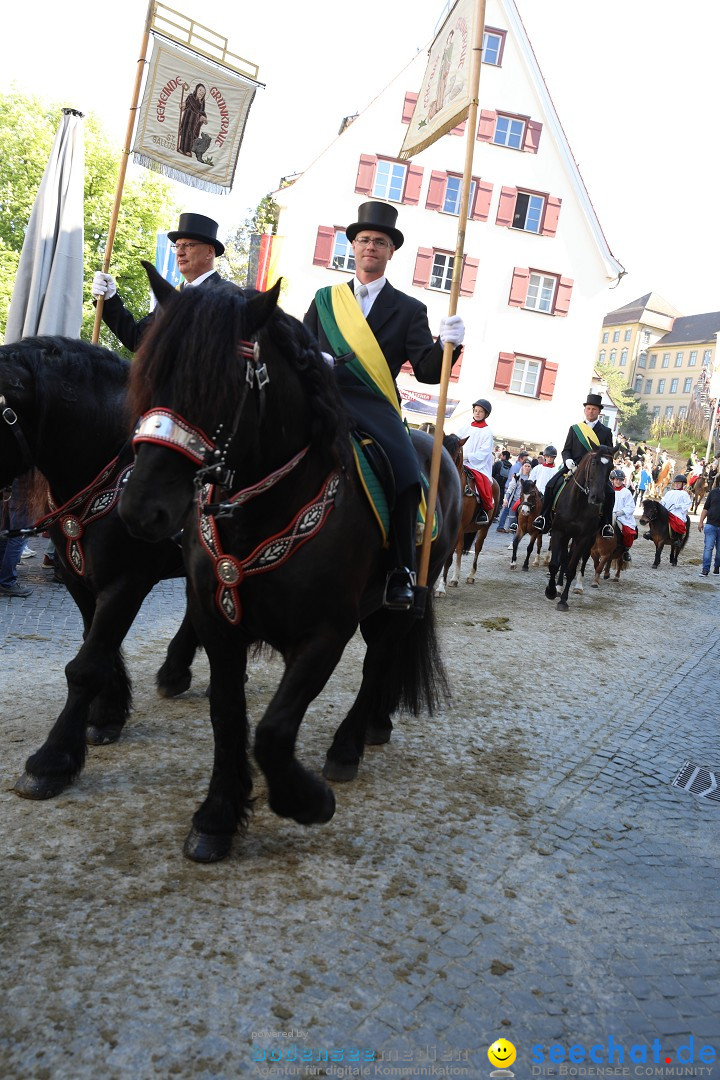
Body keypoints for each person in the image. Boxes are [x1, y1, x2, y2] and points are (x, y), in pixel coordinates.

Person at [303, 200, 464, 610]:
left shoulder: (409, 308)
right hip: (323, 399)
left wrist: (449, 344)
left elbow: (428, 372)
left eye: (379, 241)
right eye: (363, 240)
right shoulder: (325, 300)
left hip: (375, 404)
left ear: (391, 251)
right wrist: (311, 360)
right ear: (352, 247)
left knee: (407, 469)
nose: (370, 247)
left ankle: (400, 569)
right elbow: (301, 347)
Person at [91, 212, 226, 352]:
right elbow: (138, 340)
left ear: (209, 252)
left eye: (188, 245)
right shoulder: (173, 296)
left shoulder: (228, 294)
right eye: (177, 246)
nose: (180, 252)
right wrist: (109, 300)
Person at [533, 392, 615, 536]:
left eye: (594, 409)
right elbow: (566, 450)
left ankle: (606, 524)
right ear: (585, 410)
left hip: (595, 471)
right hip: (574, 466)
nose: (591, 411)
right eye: (588, 408)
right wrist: (567, 460)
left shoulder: (606, 431)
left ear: (599, 412)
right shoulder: (575, 428)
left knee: (610, 492)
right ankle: (544, 517)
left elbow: (609, 453)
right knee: (551, 484)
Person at [457, 400, 495, 526]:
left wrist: (467, 456)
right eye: (476, 410)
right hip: (460, 462)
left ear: (486, 414)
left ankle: (483, 511)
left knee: (480, 485)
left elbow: (483, 454)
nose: (477, 413)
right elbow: (456, 441)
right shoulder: (465, 427)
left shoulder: (487, 432)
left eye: (481, 411)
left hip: (477, 466)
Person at [0, 478, 33, 598]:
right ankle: (7, 581)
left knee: (6, 528)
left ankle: (4, 576)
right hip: (19, 482)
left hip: (9, 481)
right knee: (19, 533)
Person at [650, 475, 692, 544]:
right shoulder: (669, 492)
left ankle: (678, 538)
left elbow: (688, 504)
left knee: (678, 523)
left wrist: (679, 506)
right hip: (667, 510)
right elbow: (664, 500)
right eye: (675, 483)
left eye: (678, 483)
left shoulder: (684, 494)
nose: (676, 485)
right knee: (654, 517)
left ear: (683, 484)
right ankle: (651, 532)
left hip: (677, 512)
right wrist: (661, 504)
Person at [609, 468, 637, 562]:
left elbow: (631, 506)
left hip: (621, 516)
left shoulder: (626, 492)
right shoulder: (608, 490)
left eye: (620, 480)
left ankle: (625, 550)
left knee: (628, 532)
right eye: (616, 479)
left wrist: (621, 512)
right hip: (608, 514)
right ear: (612, 479)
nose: (618, 481)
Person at [697, 477, 720, 576]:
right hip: (711, 524)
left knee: (719, 550)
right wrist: (701, 521)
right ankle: (705, 569)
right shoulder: (713, 493)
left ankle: (717, 567)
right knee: (708, 548)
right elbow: (706, 508)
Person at [503, 459, 533, 533]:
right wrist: (506, 498)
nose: (527, 468)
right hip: (515, 501)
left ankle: (514, 542)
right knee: (513, 523)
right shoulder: (517, 476)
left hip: (525, 502)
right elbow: (510, 488)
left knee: (521, 524)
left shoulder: (532, 479)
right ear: (522, 467)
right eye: (525, 466)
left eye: (529, 466)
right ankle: (513, 540)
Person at [177, 83, 208, 157]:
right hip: (187, 117)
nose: (201, 93)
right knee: (184, 131)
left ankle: (188, 150)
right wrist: (182, 105)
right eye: (200, 90)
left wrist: (203, 118)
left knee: (191, 134)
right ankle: (181, 148)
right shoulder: (190, 97)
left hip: (194, 121)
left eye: (203, 93)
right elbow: (185, 105)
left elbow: (202, 112)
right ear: (196, 89)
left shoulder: (202, 102)